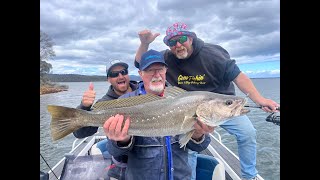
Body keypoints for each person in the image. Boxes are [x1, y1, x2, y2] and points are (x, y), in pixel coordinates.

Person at [134, 22, 280, 180]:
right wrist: (144, 43)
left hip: (223, 105)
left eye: (182, 38)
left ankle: (249, 175)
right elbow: (140, 63)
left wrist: (260, 100)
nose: (177, 45)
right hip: (190, 111)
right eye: (171, 42)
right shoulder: (168, 57)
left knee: (247, 132)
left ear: (191, 38)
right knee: (190, 148)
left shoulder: (212, 54)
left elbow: (239, 77)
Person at [103, 49, 214, 180]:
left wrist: (198, 135)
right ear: (141, 74)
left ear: (166, 70)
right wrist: (122, 141)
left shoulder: (184, 97)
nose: (156, 74)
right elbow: (114, 152)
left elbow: (199, 146)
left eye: (160, 69)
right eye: (150, 70)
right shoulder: (125, 102)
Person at [73, 60, 138, 180]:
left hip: (148, 158)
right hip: (122, 162)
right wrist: (84, 107)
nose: (120, 76)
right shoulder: (103, 104)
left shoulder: (143, 92)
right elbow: (80, 133)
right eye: (114, 74)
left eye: (123, 72)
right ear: (108, 79)